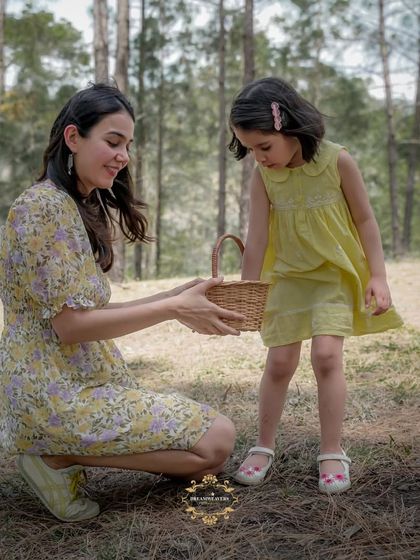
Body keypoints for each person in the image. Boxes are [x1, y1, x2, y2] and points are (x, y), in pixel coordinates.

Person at [0, 82, 245, 522]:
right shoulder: (41, 208)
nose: (123, 156)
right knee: (218, 439)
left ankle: (61, 455)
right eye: (113, 142)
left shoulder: (72, 204)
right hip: (53, 393)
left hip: (81, 379)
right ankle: (53, 457)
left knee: (208, 462)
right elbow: (70, 327)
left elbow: (82, 313)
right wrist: (172, 310)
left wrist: (174, 296)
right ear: (73, 138)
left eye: (127, 145)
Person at [228, 77, 403, 494]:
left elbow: (365, 219)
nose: (259, 156)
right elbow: (258, 238)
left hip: (332, 275)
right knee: (280, 363)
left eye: (264, 146)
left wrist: (377, 275)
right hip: (288, 276)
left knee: (326, 356)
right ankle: (263, 445)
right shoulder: (264, 177)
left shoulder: (337, 161)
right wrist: (247, 290)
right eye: (250, 148)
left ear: (288, 128)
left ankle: (331, 450)